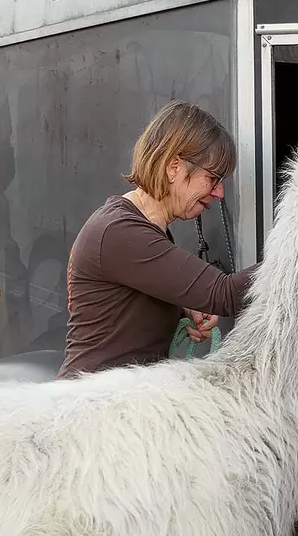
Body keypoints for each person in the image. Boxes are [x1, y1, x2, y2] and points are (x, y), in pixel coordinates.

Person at [58, 101, 257, 379]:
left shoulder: (140, 228)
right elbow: (223, 294)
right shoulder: (120, 231)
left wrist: (182, 309)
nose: (219, 193)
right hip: (94, 401)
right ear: (174, 167)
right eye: (212, 178)